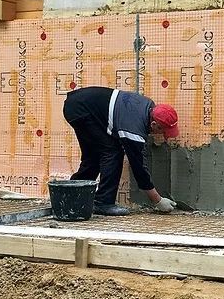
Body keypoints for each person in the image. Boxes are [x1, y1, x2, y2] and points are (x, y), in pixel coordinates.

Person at [62, 86, 179, 216]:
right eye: (163, 131)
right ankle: (103, 203)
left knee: (93, 156)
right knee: (112, 152)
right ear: (154, 125)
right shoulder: (134, 128)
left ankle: (71, 194)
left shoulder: (149, 106)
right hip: (80, 110)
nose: (162, 135)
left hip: (79, 104)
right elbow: (139, 167)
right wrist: (158, 200)